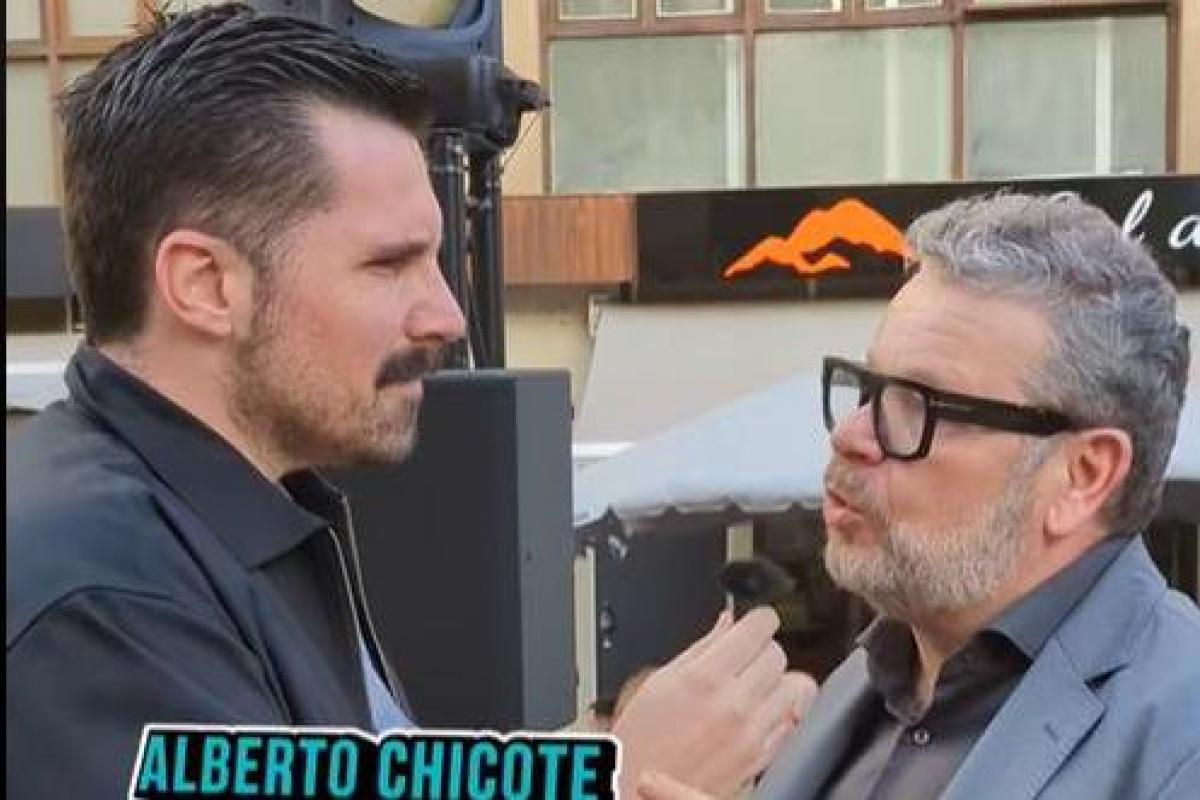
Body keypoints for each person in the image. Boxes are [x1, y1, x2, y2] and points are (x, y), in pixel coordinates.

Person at [4, 5, 813, 798]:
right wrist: (620, 782)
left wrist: (595, 765)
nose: (446, 315)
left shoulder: (236, 515)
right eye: (389, 265)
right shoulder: (100, 597)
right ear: (206, 284)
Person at [640, 191, 1200, 800]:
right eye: (869, 388)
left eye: (923, 404)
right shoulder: (864, 683)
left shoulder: (1178, 729)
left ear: (1084, 475)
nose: (852, 435)